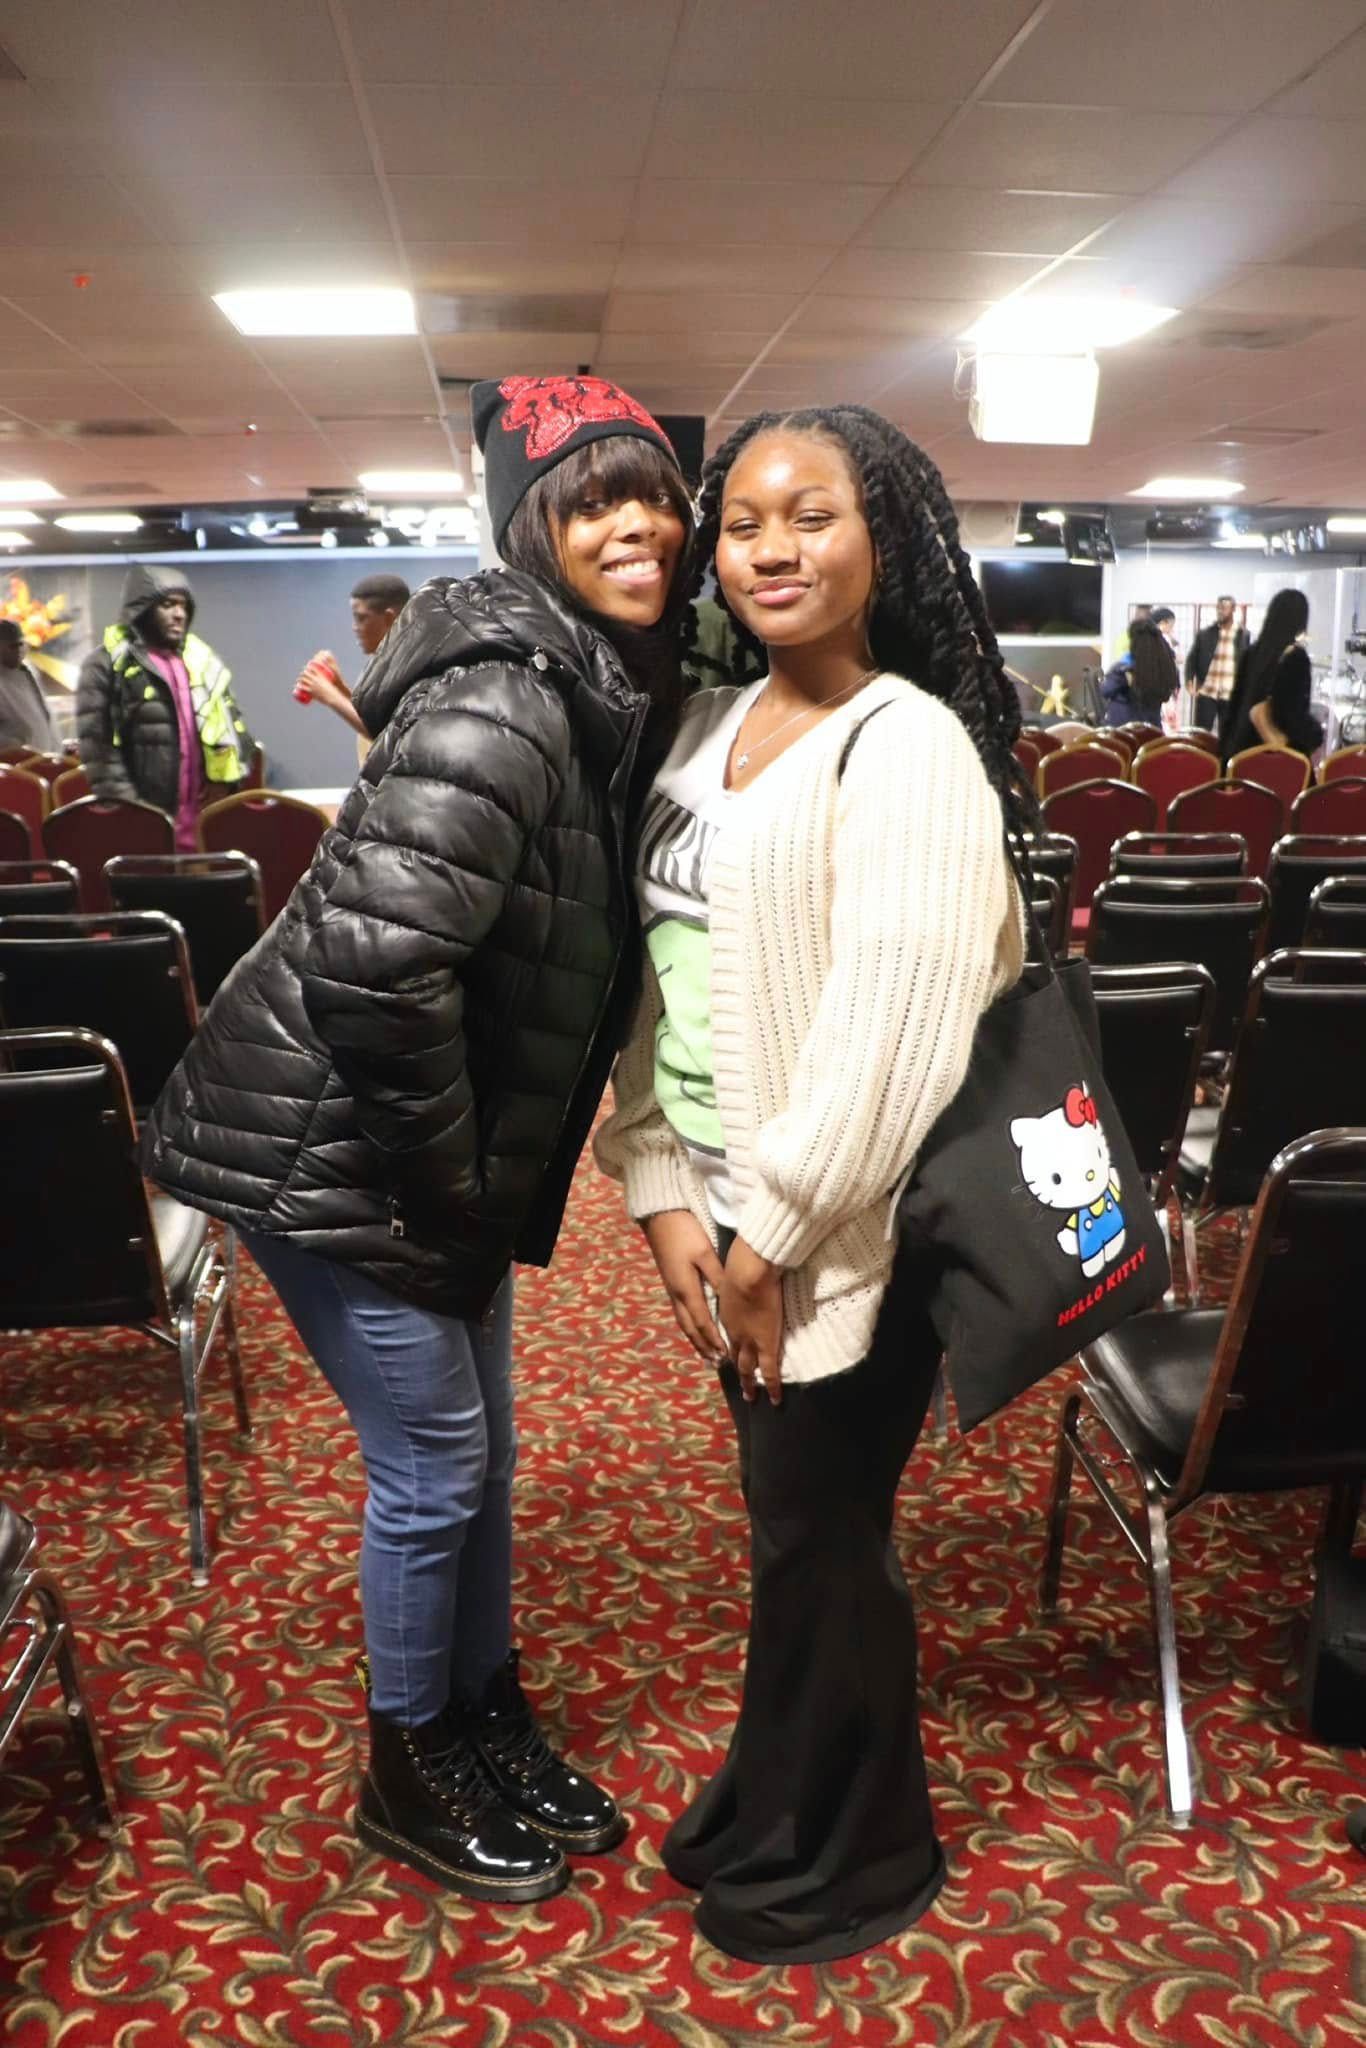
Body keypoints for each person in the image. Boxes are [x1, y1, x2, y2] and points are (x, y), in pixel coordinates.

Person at [143, 375, 694, 1905]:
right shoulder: (511, 696)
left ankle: (478, 1710)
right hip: (333, 1151)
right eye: (595, 500)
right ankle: (406, 1760)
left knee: (484, 1455)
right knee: (437, 1464)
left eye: (653, 494)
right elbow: (378, 973)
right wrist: (454, 1189)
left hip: (418, 1149)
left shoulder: (575, 680)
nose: (639, 522)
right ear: (535, 528)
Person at [595, 404, 1027, 1964]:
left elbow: (894, 1032)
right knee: (790, 1530)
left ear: (883, 538)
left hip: (843, 1233)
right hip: (721, 1210)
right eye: (743, 522)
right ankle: (773, 1796)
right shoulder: (703, 727)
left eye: (812, 515)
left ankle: (853, 1850)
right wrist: (657, 1188)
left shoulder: (903, 742)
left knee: (821, 1532)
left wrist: (767, 1229)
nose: (770, 548)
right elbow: (650, 975)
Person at [76, 566, 254, 850]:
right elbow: (99, 752)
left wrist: (226, 787)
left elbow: (235, 728)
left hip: (201, 823)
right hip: (144, 824)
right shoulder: (107, 663)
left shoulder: (202, 662)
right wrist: (136, 814)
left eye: (183, 605)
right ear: (143, 608)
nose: (179, 614)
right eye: (167, 604)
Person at [294, 572, 412, 739]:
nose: (355, 627)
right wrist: (339, 686)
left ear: (389, 618)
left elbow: (393, 737)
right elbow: (376, 721)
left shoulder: (413, 666)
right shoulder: (388, 664)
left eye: (361, 618)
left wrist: (329, 695)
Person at [1221, 588, 1323, 763]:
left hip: (1240, 753)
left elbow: (1234, 705)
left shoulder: (1251, 653)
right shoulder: (1296, 657)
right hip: (1274, 760)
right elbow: (1291, 713)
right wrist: (1315, 734)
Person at [1185, 594, 1249, 735]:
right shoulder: (1205, 634)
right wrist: (1189, 679)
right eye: (1218, 608)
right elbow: (1192, 658)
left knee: (1228, 733)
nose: (1220, 611)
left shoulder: (1243, 635)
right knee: (1201, 733)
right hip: (1208, 690)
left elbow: (1247, 663)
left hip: (1230, 692)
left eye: (1224, 608)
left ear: (1233, 610)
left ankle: (1224, 758)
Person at [1101, 614, 1178, 727]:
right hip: (1152, 732)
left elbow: (1105, 690)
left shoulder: (1123, 670)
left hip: (1122, 733)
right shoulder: (1164, 667)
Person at [0, 618, 59, 754]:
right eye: (12, 646)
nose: (19, 650)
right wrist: (14, 745)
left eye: (21, 644)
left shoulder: (28, 671)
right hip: (13, 765)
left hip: (44, 757)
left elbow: (43, 717)